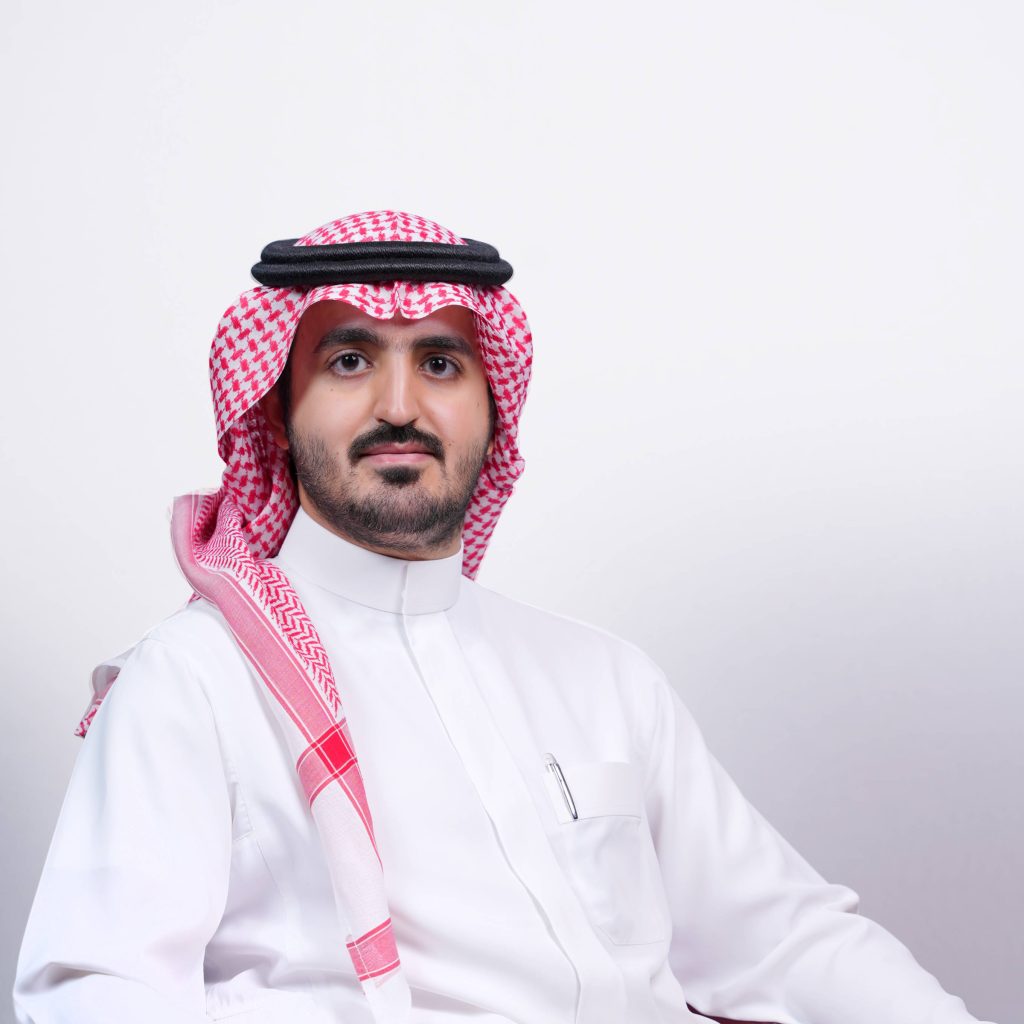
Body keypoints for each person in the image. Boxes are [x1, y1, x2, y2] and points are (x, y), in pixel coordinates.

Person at [12, 210, 994, 1024]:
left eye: (441, 363)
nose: (400, 407)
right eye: (350, 360)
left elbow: (780, 937)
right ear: (277, 409)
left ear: (494, 406)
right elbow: (98, 991)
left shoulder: (603, 676)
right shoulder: (193, 681)